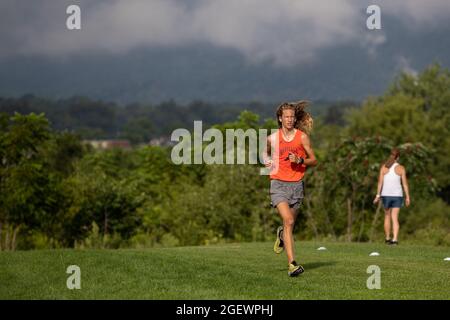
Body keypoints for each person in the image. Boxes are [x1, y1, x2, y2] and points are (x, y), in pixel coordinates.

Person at [264, 101, 317, 277]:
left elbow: (314, 160)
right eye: (286, 116)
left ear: (295, 119)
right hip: (278, 183)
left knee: (289, 225)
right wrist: (267, 161)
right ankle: (292, 265)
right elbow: (264, 153)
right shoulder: (272, 138)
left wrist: (300, 161)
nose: (289, 119)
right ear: (280, 118)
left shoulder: (302, 137)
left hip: (296, 185)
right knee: (289, 221)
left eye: (292, 117)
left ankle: (281, 236)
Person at [373, 148, 410, 245]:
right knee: (395, 217)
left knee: (387, 216)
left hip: (386, 196)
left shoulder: (384, 167)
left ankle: (387, 238)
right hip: (397, 196)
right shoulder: (401, 168)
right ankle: (395, 240)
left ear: (391, 155)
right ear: (398, 157)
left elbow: (380, 183)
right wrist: (407, 197)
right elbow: (405, 184)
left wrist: (377, 195)